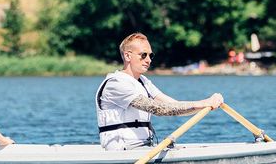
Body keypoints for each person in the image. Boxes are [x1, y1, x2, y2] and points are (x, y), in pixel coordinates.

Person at [95, 33, 223, 151]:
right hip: (122, 152)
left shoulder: (143, 82)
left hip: (142, 149)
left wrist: (208, 105)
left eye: (151, 55)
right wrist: (204, 102)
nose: (149, 60)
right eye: (143, 55)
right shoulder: (116, 84)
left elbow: (175, 105)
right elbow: (160, 109)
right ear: (128, 55)